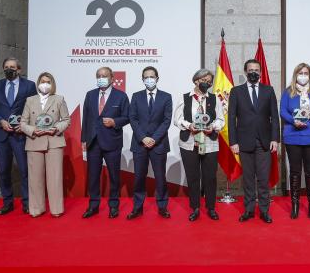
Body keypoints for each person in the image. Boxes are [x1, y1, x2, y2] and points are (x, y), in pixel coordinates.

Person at [228, 59, 279, 223]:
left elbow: (274, 117)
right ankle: (249, 210)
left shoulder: (268, 90)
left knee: (263, 179)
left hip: (264, 142)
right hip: (243, 142)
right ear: (245, 72)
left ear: (261, 72)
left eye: (256, 70)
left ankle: (264, 211)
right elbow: (231, 118)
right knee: (248, 179)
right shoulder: (236, 91)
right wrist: (233, 142)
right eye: (250, 70)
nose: (254, 72)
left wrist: (275, 138)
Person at [0, 57, 37, 215]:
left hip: (20, 135)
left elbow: (33, 108)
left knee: (24, 170)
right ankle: (7, 202)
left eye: (13, 67)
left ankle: (27, 203)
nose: (9, 69)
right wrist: (1, 121)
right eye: (7, 67)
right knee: (3, 170)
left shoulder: (29, 85)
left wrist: (23, 124)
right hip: (1, 134)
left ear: (19, 69)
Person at [174, 69, 225, 221]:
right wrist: (189, 125)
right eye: (204, 80)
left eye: (209, 81)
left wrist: (213, 127)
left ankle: (211, 208)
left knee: (210, 177)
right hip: (189, 143)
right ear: (196, 80)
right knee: (193, 177)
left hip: (210, 143)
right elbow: (177, 119)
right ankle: (195, 207)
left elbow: (221, 120)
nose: (207, 83)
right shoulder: (184, 98)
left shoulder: (214, 99)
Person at [279, 63, 310, 219]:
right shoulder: (288, 92)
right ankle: (295, 205)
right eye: (300, 73)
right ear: (295, 75)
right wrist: (293, 121)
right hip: (292, 136)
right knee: (294, 172)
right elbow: (282, 111)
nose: (303, 76)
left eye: (306, 73)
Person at [81, 66, 130, 219]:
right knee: (93, 176)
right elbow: (86, 118)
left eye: (104, 75)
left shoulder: (121, 96)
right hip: (93, 143)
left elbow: (127, 117)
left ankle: (113, 205)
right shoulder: (90, 95)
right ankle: (93, 205)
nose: (101, 78)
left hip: (112, 142)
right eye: (98, 75)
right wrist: (84, 139)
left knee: (114, 176)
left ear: (112, 78)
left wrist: (115, 121)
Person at [19, 72, 70, 218]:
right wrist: (33, 130)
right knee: (35, 179)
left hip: (54, 141)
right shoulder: (30, 100)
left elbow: (66, 119)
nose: (45, 84)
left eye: (48, 81)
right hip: (34, 141)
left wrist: (57, 128)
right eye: (42, 81)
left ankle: (56, 209)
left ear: (52, 84)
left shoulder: (59, 99)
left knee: (55, 178)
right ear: (38, 83)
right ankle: (36, 208)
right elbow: (22, 123)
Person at [128, 66, 173, 220]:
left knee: (160, 177)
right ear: (142, 79)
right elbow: (132, 118)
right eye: (146, 77)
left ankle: (162, 207)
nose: (149, 79)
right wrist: (143, 138)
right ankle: (137, 207)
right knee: (139, 177)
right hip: (139, 143)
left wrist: (154, 138)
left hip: (158, 143)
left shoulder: (166, 97)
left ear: (157, 78)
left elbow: (167, 120)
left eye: (152, 77)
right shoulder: (136, 96)